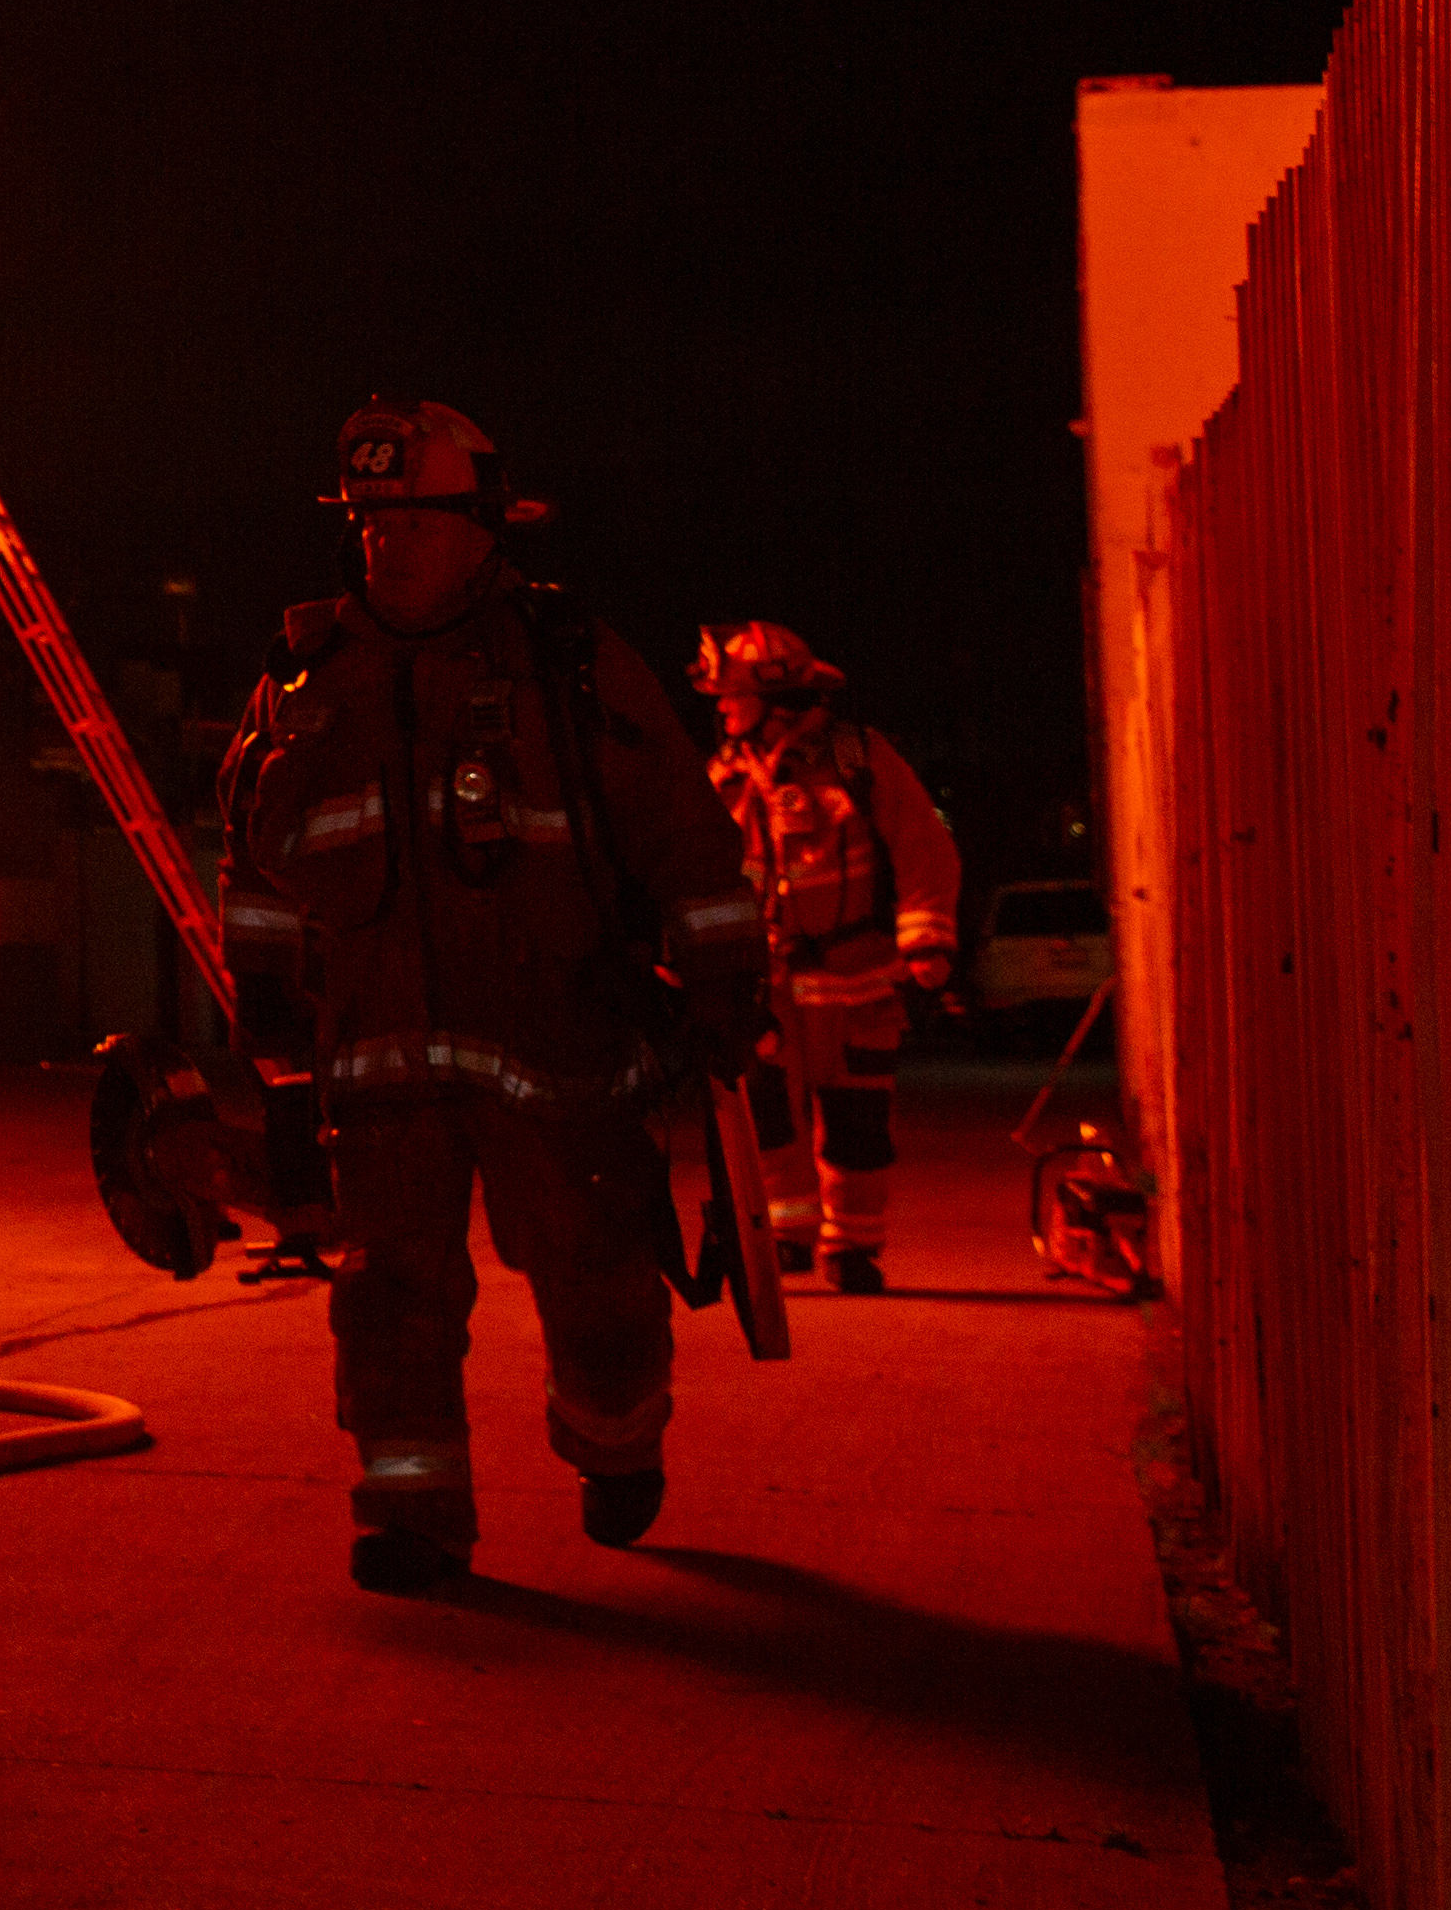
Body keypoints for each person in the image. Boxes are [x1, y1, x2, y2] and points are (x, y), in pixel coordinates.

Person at [182, 397, 766, 1593]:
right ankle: (413, 1512)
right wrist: (259, 985)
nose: (381, 541)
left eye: (411, 517)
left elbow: (683, 835)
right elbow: (250, 851)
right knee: (389, 1288)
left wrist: (721, 977)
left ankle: (614, 1442)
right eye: (366, 519)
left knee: (595, 1271)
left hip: (556, 1042)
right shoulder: (303, 677)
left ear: (484, 525)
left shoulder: (570, 663)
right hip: (379, 1053)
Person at [696, 620, 961, 1295]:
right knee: (767, 1116)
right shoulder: (724, 772)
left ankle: (853, 1246)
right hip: (766, 984)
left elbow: (921, 845)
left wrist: (925, 938)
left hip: (856, 976)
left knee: (856, 1123)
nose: (720, 707)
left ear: (774, 695)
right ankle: (784, 1234)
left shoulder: (858, 760)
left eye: (729, 693)